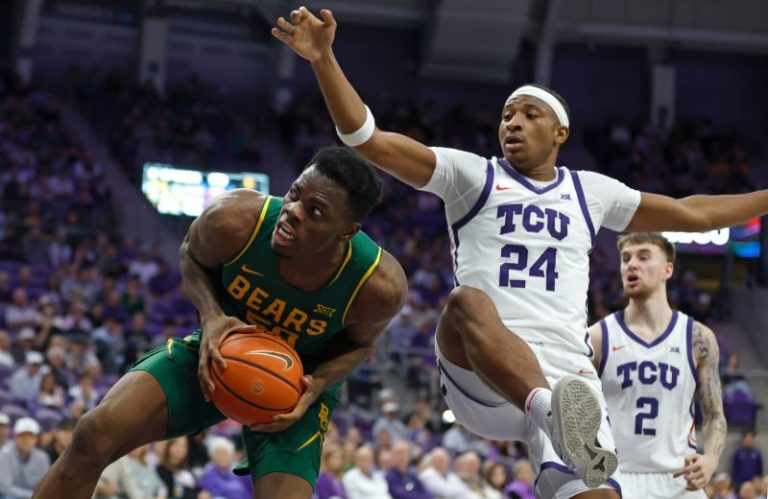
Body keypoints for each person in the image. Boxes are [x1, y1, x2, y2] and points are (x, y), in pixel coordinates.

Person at [272, 6, 768, 497]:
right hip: (484, 370)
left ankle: (558, 422)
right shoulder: (472, 175)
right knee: (466, 301)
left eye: (530, 115)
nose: (513, 123)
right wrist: (323, 60)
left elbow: (693, 213)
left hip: (569, 375)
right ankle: (548, 414)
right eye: (507, 115)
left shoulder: (591, 191)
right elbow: (369, 141)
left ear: (560, 133)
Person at [33, 146, 408, 499]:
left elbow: (361, 344)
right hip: (219, 350)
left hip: (297, 388)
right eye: (294, 194)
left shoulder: (377, 286)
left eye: (315, 212)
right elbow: (191, 255)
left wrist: (318, 385)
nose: (293, 211)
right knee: (93, 433)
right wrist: (212, 315)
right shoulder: (236, 219)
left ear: (347, 231)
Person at [588, 233, 726, 498]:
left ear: (668, 269)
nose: (631, 265)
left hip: (680, 478)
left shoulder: (698, 338)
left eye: (643, 257)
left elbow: (714, 414)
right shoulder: (598, 337)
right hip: (617, 477)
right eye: (626, 258)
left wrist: (711, 458)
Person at [0, 418, 50, 498]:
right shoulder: (4, 455)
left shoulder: (42, 458)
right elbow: (5, 488)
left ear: (36, 439)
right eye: (22, 436)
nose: (27, 440)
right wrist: (32, 495)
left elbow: (44, 486)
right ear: (15, 438)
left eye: (31, 437)